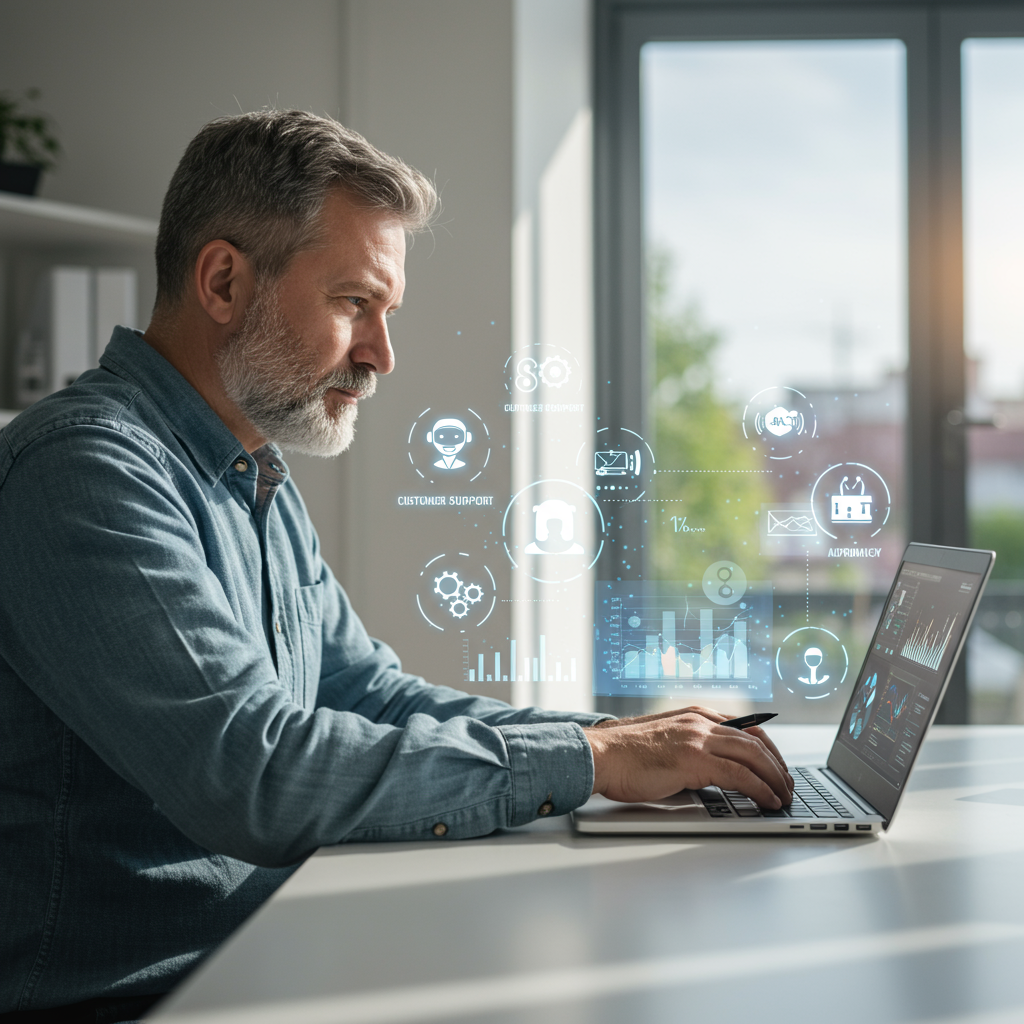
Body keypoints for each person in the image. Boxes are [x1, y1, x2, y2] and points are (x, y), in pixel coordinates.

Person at [0, 110, 792, 1022]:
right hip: (134, 998)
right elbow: (253, 774)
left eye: (386, 312)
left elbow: (368, 694)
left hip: (258, 953)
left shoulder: (249, 468)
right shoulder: (84, 475)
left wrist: (629, 742)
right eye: (353, 304)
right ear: (222, 281)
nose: (381, 355)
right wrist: (590, 760)